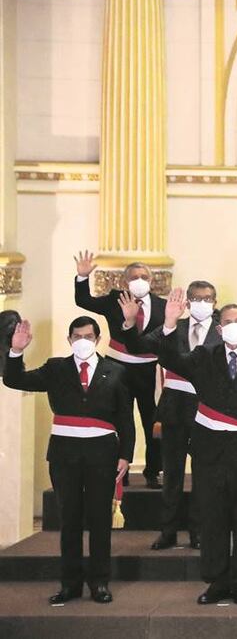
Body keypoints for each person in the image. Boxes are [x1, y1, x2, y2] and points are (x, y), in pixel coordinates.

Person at [152, 292, 237, 605]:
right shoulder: (203, 355)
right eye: (227, 322)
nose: (233, 326)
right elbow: (171, 360)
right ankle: (216, 581)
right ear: (219, 328)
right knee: (212, 518)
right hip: (209, 449)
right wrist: (169, 324)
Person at [4, 317, 134, 604]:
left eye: (88, 335)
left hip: (102, 454)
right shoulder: (55, 368)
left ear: (98, 338)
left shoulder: (116, 371)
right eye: (77, 336)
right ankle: (70, 585)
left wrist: (126, 454)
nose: (83, 340)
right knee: (70, 520)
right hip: (65, 455)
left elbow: (125, 416)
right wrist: (15, 352)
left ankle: (99, 583)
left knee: (100, 520)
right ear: (69, 339)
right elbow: (14, 379)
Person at [117, 281, 221, 551]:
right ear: (187, 301)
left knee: (204, 474)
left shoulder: (223, 332)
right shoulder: (173, 326)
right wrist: (130, 322)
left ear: (215, 301)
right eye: (196, 298)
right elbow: (138, 347)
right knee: (172, 473)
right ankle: (169, 530)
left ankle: (199, 531)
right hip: (174, 408)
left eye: (207, 298)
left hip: (207, 409)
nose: (202, 302)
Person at [73, 251, 165, 488]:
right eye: (134, 276)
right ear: (125, 281)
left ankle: (153, 470)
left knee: (152, 421)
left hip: (148, 370)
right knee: (120, 420)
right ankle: (119, 473)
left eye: (144, 276)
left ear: (151, 280)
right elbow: (84, 301)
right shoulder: (114, 299)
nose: (139, 280)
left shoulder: (163, 306)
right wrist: (82, 277)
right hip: (118, 368)